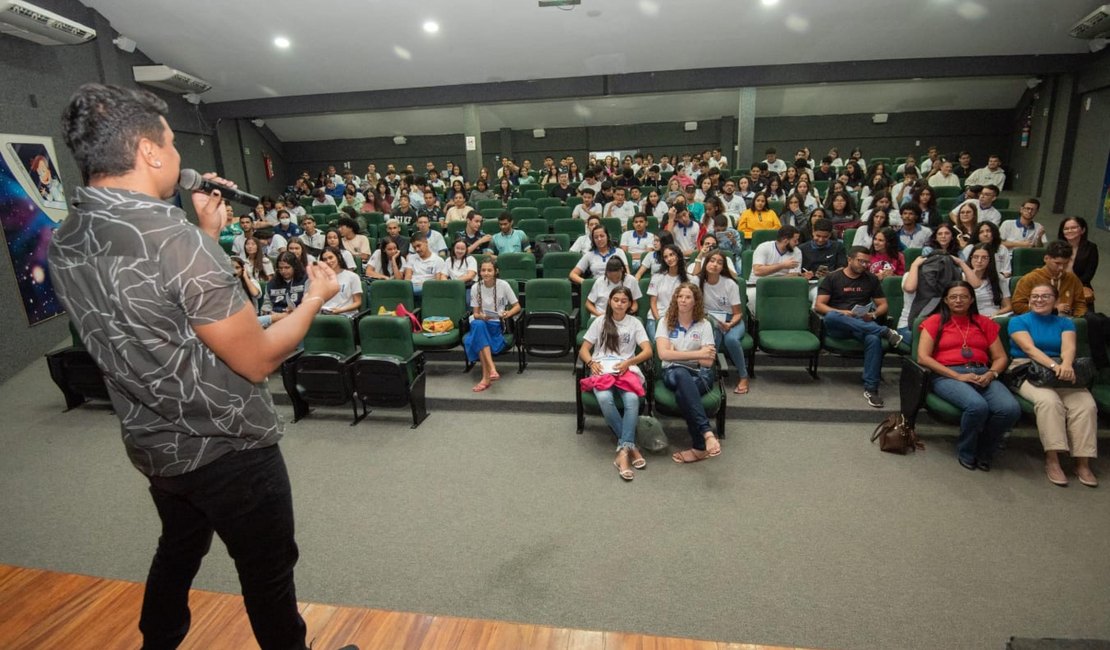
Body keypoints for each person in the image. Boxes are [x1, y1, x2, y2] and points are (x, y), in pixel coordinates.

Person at [48, 83, 355, 650]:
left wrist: (207, 235)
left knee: (180, 546)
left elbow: (150, 316)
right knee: (267, 570)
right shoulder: (174, 242)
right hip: (227, 445)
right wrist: (315, 298)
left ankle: (157, 643)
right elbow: (258, 359)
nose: (180, 157)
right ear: (149, 151)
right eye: (172, 141)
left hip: (153, 442)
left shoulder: (66, 237)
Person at [916, 281, 1019, 472]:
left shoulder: (984, 322)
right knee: (977, 406)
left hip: (982, 373)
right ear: (945, 301)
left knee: (1010, 408)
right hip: (947, 375)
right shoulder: (934, 321)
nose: (958, 300)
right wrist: (957, 376)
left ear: (971, 300)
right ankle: (967, 451)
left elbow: (1000, 357)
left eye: (963, 296)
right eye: (953, 297)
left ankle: (985, 450)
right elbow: (923, 357)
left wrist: (992, 373)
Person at [1008, 283, 1099, 487]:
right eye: (1035, 296)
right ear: (1029, 300)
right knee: (1049, 402)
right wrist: (1052, 365)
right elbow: (1029, 349)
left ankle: (1083, 462)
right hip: (1028, 370)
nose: (1039, 300)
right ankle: (1053, 459)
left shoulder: (1065, 323)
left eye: (1045, 296)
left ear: (1056, 300)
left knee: (1086, 405)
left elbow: (1069, 347)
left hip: (1061, 369)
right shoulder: (1018, 321)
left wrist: (1065, 364)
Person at [579, 286, 654, 481]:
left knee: (632, 401)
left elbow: (647, 351)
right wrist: (591, 362)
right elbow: (584, 349)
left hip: (625, 369)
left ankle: (623, 452)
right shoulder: (599, 321)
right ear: (610, 301)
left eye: (624, 301)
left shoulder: (635, 323)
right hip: (602, 368)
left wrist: (629, 362)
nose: (619, 304)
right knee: (604, 399)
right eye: (616, 300)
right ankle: (630, 446)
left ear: (630, 304)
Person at [814, 246, 903, 407]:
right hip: (838, 326)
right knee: (833, 315)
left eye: (867, 262)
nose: (864, 265)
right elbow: (819, 306)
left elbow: (883, 305)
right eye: (861, 261)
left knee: (873, 339)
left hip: (862, 325)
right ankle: (884, 331)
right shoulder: (833, 278)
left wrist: (873, 315)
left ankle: (871, 388)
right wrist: (842, 312)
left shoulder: (871, 279)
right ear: (849, 259)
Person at [656, 283, 723, 464]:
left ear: (696, 301)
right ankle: (707, 433)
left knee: (682, 393)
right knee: (680, 374)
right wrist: (697, 354)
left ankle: (700, 448)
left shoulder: (704, 325)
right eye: (680, 296)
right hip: (672, 372)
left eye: (688, 297)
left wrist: (676, 353)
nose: (683, 300)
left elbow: (708, 361)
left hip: (701, 375)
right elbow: (663, 355)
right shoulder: (665, 321)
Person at [697, 249, 750, 394]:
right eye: (712, 261)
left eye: (719, 262)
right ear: (706, 263)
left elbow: (738, 313)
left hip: (732, 321)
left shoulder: (730, 284)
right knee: (713, 337)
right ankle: (708, 374)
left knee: (731, 340)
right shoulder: (698, 282)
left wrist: (730, 324)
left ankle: (743, 376)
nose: (715, 265)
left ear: (723, 267)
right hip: (711, 320)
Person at [465, 259, 521, 392]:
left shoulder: (504, 285)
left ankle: (486, 378)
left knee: (479, 334)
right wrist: (482, 316)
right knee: (478, 324)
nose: (486, 273)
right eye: (483, 270)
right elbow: (476, 313)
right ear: (479, 272)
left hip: (496, 325)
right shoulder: (475, 287)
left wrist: (507, 313)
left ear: (496, 271)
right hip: (482, 322)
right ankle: (492, 370)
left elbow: (517, 307)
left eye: (489, 270)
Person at [1011, 241, 1087, 317]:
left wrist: (1077, 318)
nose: (1061, 268)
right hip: (1038, 319)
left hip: (1066, 321)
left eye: (1065, 264)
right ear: (1046, 258)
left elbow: (1080, 304)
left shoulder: (1072, 279)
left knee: (1093, 319)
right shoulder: (1030, 279)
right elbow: (1018, 306)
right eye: (1057, 263)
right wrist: (1051, 309)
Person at [646, 244, 696, 339]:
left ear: (678, 256)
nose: (669, 259)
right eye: (666, 257)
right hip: (657, 317)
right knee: (659, 345)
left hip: (680, 319)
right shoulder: (657, 277)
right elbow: (653, 302)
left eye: (672, 254)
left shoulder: (690, 279)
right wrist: (658, 320)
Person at [261, 251, 310, 326]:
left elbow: (307, 302)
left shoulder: (305, 280)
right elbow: (266, 306)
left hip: (298, 318)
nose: (283, 271)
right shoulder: (272, 284)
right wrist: (269, 313)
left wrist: (295, 311)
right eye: (280, 268)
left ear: (295, 267)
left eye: (287, 267)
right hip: (275, 319)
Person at [961, 244, 1011, 317]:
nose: (979, 261)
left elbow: (1008, 306)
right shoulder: (961, 277)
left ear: (990, 260)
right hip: (970, 316)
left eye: (984, 258)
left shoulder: (998, 278)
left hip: (993, 316)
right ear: (970, 258)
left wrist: (994, 314)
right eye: (976, 257)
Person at [1059, 216, 1098, 305]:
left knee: (1091, 318)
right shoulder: (1056, 246)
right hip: (1057, 286)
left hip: (1080, 286)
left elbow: (1089, 274)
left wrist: (1072, 286)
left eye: (1074, 228)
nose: (1069, 231)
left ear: (1083, 230)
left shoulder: (1091, 248)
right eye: (1066, 229)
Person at [319, 246, 363, 317]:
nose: (328, 261)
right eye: (325, 259)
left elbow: (357, 302)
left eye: (331, 257)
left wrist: (340, 310)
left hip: (344, 315)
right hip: (324, 315)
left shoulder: (352, 277)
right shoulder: (320, 278)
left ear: (338, 257)